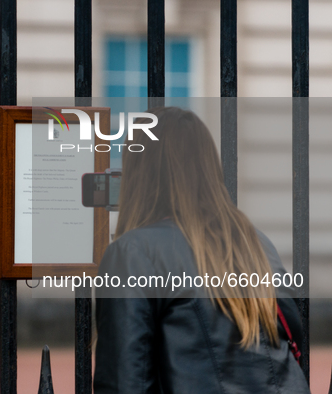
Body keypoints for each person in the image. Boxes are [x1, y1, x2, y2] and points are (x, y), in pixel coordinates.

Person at [93, 107, 310, 393]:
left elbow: (123, 382)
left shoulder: (133, 252)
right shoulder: (256, 243)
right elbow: (294, 341)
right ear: (209, 167)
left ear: (139, 175)